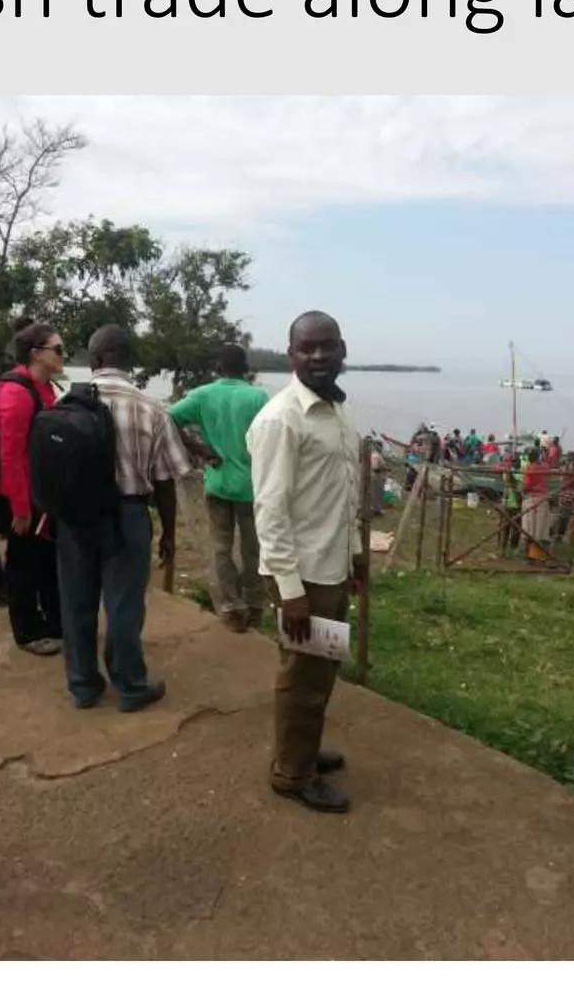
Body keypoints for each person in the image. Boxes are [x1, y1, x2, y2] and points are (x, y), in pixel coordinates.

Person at [248, 311, 364, 813]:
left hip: (333, 562)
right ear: (290, 354)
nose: (318, 356)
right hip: (304, 573)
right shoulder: (281, 419)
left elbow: (343, 494)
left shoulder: (336, 412)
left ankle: (305, 748)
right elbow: (269, 509)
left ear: (342, 349)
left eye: (327, 346)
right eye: (307, 348)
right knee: (301, 674)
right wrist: (289, 588)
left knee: (321, 670)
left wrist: (356, 554)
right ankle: (292, 775)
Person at [57, 326, 191, 712]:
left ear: (95, 360)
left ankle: (83, 686)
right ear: (128, 362)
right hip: (128, 514)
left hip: (75, 518)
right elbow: (166, 482)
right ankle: (131, 686)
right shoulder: (151, 408)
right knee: (124, 605)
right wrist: (168, 532)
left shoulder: (68, 402)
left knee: (76, 603)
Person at [169, 343, 272, 633]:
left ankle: (230, 605)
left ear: (217, 368)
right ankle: (254, 605)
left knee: (221, 547)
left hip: (216, 481)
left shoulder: (203, 395)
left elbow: (168, 417)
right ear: (246, 370)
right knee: (253, 548)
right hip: (251, 486)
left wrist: (200, 449)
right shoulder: (257, 397)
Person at [0, 321, 64, 655]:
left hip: (43, 493)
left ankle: (53, 621)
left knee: (46, 558)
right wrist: (20, 508)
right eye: (58, 349)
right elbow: (9, 457)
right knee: (22, 562)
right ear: (37, 354)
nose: (63, 355)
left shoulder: (46, 389)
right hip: (20, 495)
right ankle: (27, 630)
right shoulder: (16, 394)